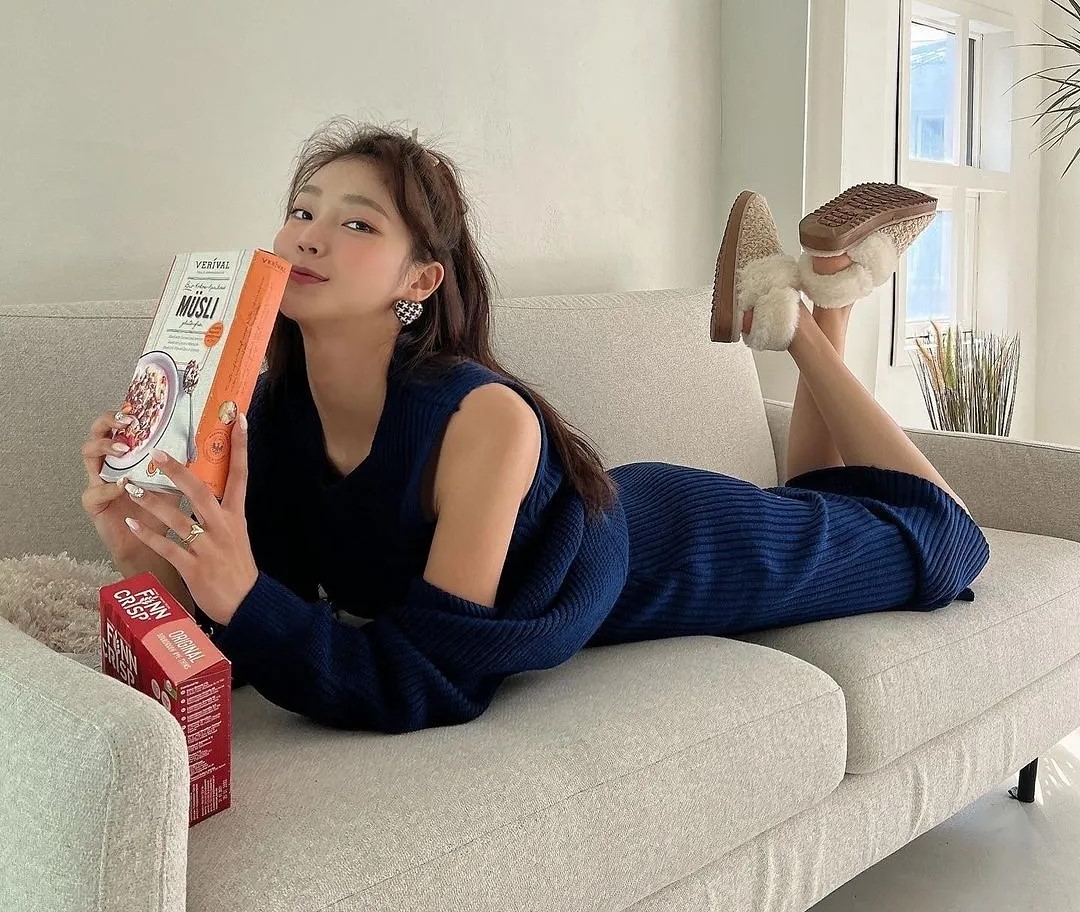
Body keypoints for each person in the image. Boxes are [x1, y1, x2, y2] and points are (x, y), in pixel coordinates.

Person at [80, 122, 990, 734]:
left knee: (946, 542)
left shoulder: (483, 419)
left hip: (693, 548)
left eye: (357, 223)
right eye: (302, 210)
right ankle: (828, 290)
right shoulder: (270, 412)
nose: (309, 236)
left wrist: (243, 595)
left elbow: (432, 676)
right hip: (628, 508)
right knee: (821, 496)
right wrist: (144, 553)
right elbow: (259, 621)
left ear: (420, 282)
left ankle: (793, 326)